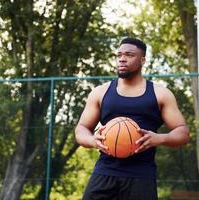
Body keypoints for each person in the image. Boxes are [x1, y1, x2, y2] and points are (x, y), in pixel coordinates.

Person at [75, 37, 190, 200]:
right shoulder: (100, 93)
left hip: (141, 175)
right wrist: (92, 140)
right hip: (105, 172)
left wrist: (159, 138)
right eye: (119, 55)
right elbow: (81, 129)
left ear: (142, 60)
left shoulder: (160, 94)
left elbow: (183, 133)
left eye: (129, 55)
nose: (122, 58)